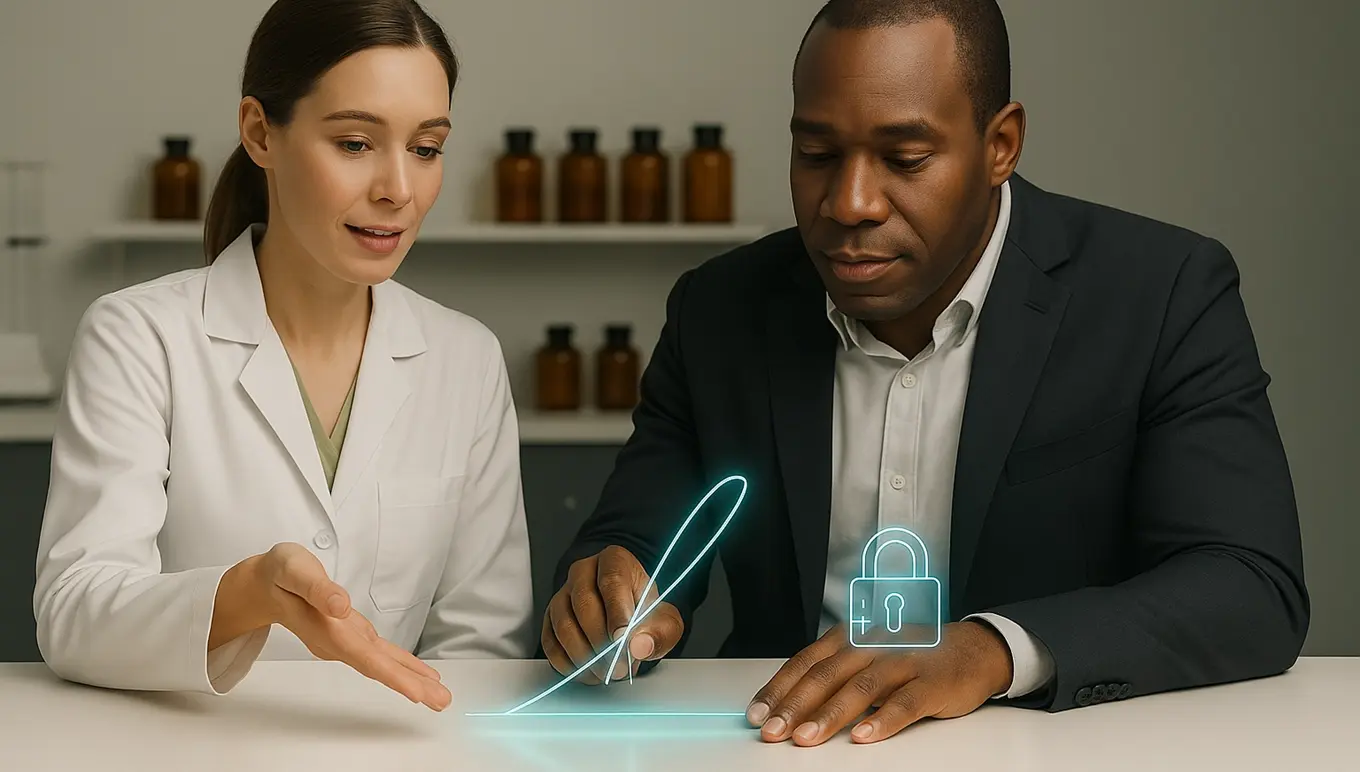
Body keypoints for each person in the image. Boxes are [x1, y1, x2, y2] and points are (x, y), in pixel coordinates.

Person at [543, 0, 1309, 746]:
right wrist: (609, 598)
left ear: (1001, 143)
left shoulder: (1161, 292)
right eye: (815, 154)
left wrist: (991, 651)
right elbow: (634, 539)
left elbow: (1249, 585)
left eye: (905, 160)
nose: (849, 203)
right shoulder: (721, 309)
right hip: (780, 741)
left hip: (1058, 744)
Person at [32, 0, 532, 712]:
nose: (398, 189)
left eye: (425, 148)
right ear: (260, 132)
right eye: (356, 143)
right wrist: (244, 595)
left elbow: (482, 642)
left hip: (396, 754)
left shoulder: (467, 360)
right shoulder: (138, 336)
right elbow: (74, 614)